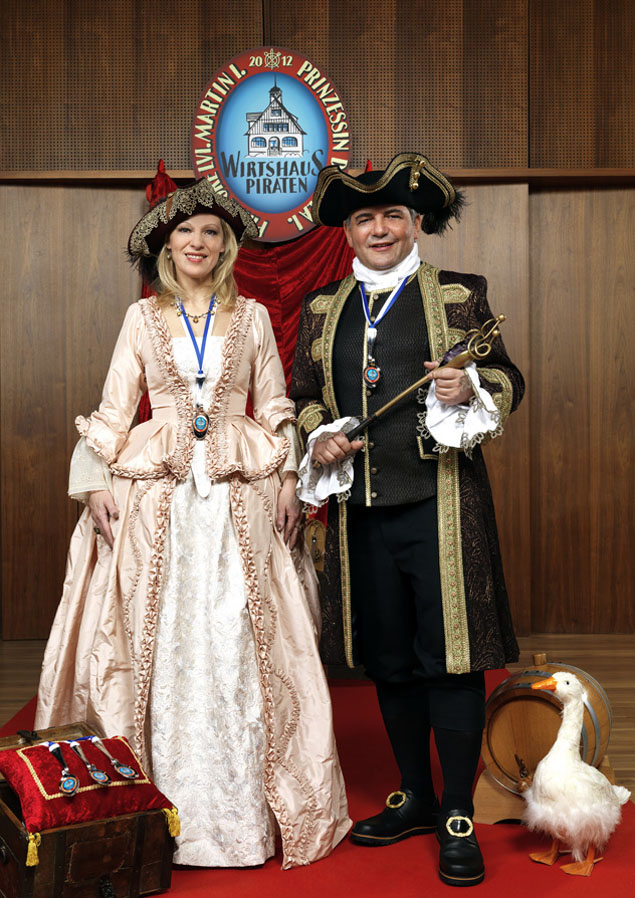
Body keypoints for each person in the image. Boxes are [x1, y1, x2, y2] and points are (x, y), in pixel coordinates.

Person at [35, 178, 350, 868]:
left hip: (240, 490)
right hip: (161, 497)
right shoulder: (141, 317)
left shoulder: (254, 317)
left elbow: (274, 404)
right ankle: (155, 809)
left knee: (237, 637)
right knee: (164, 638)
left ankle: (243, 818)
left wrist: (289, 479)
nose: (197, 243)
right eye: (185, 232)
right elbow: (115, 408)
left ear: (227, 246)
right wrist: (93, 482)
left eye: (211, 232)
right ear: (167, 246)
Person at [290, 153, 524, 887]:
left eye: (392, 215)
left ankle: (456, 812)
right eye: (365, 218)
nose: (380, 228)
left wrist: (467, 386)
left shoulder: (459, 294)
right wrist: (318, 434)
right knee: (388, 657)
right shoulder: (322, 307)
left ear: (414, 222)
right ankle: (415, 796)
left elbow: (506, 377)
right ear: (348, 232)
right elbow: (304, 395)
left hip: (441, 506)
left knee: (450, 658)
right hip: (360, 511)